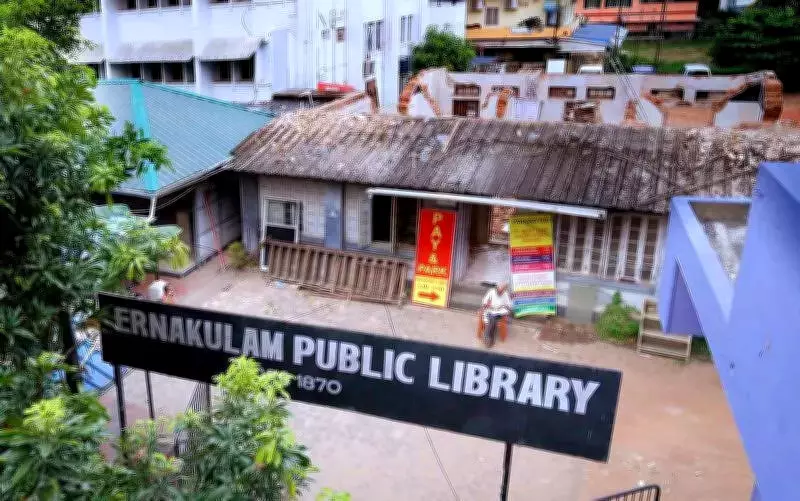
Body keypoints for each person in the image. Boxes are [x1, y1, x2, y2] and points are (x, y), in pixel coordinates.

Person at [480, 282, 512, 346]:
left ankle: (487, 337)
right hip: (491, 311)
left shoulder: (505, 294)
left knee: (493, 317)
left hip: (500, 312)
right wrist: (487, 304)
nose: (500, 292)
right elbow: (484, 301)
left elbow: (510, 305)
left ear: (504, 290)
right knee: (492, 318)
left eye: (502, 290)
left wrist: (505, 306)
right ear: (497, 288)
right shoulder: (491, 291)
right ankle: (490, 337)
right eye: (499, 290)